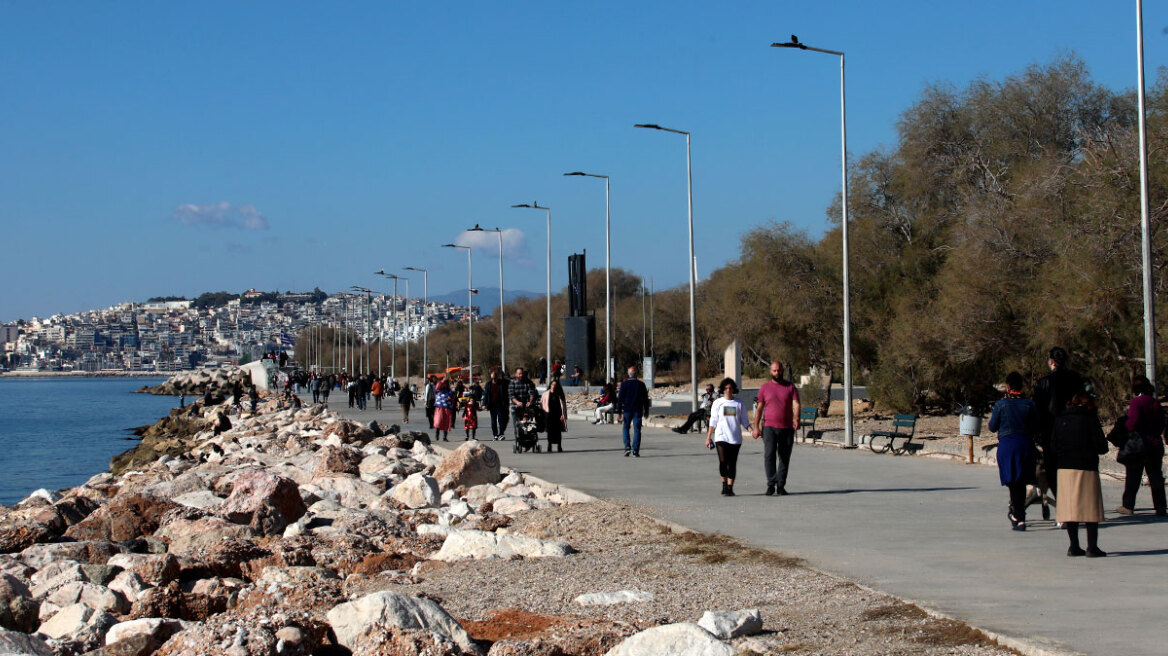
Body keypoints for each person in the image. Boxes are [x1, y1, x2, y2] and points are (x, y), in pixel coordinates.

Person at [1052, 392, 1109, 557]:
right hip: (1087, 467)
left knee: (1070, 509)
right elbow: (1102, 446)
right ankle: (1092, 547)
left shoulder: (1060, 419)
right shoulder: (1089, 419)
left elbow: (1053, 446)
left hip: (1064, 468)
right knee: (1090, 508)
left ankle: (1073, 546)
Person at [1033, 347, 1085, 499]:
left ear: (1051, 362)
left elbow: (1037, 409)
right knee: (1073, 470)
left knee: (1053, 472)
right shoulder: (1076, 379)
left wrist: (1037, 432)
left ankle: (1063, 506)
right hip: (1075, 431)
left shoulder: (1043, 383)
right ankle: (1073, 504)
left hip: (1051, 432)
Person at [988, 372, 1038, 530]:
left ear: (1008, 386)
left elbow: (992, 426)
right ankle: (1018, 514)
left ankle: (1018, 516)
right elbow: (1036, 425)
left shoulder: (1001, 405)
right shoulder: (1030, 404)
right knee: (1021, 482)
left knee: (1013, 482)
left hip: (1007, 446)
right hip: (1025, 445)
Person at [1117, 374, 1166, 516]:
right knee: (1156, 476)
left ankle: (1128, 505)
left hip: (1138, 445)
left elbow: (1132, 423)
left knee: (1133, 476)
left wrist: (1124, 425)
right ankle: (1161, 506)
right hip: (1155, 444)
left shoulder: (1136, 403)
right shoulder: (1155, 403)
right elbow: (1162, 422)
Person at [752, 361, 801, 496]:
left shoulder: (790, 387)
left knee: (784, 457)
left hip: (786, 428)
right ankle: (771, 484)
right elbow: (760, 408)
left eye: (779, 370)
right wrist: (756, 427)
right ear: (770, 372)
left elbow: (796, 404)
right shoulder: (764, 388)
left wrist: (796, 419)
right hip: (769, 427)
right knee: (769, 455)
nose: (777, 373)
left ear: (782, 371)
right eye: (774, 371)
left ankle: (781, 486)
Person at [706, 378, 750, 496]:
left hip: (735, 437)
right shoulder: (718, 403)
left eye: (730, 388)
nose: (728, 390)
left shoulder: (739, 403)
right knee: (723, 461)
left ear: (733, 389)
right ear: (722, 389)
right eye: (725, 388)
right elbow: (713, 420)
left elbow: (744, 420)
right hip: (721, 436)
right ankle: (724, 484)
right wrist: (709, 437)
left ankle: (730, 487)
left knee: (732, 463)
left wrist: (751, 430)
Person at [618, 366, 650, 457]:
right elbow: (645, 399)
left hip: (627, 410)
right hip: (637, 410)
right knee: (637, 429)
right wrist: (646, 410)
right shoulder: (641, 384)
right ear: (636, 374)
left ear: (628, 374)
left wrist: (619, 412)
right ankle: (635, 450)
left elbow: (620, 399)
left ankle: (627, 447)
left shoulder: (624, 384)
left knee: (625, 428)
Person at [509, 367, 539, 441]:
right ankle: (518, 439)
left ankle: (531, 437)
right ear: (516, 374)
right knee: (517, 425)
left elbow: (532, 392)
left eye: (521, 374)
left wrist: (530, 401)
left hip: (527, 406)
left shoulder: (528, 382)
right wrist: (517, 402)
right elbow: (511, 396)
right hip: (516, 406)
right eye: (519, 374)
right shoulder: (512, 384)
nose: (520, 375)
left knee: (532, 422)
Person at [541, 379, 568, 452]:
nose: (553, 386)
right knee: (549, 431)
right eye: (552, 385)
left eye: (555, 385)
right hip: (549, 415)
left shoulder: (560, 395)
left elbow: (564, 406)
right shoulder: (545, 394)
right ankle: (549, 446)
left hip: (558, 415)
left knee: (558, 432)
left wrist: (563, 415)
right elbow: (542, 404)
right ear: (550, 385)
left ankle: (559, 446)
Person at [485, 369, 511, 440]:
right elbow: (486, 395)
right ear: (491, 377)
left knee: (500, 420)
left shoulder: (501, 383)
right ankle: (495, 435)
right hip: (492, 405)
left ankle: (501, 434)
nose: (494, 379)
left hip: (500, 405)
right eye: (492, 378)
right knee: (493, 421)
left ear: (497, 377)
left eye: (495, 378)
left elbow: (508, 384)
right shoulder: (488, 384)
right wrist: (484, 404)